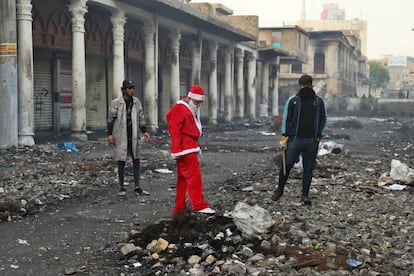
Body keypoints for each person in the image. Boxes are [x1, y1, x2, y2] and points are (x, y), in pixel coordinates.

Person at [272, 74, 327, 205]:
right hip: (294, 140)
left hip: (311, 141)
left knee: (308, 169)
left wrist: (320, 134)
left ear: (310, 85)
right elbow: (286, 117)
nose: (305, 88)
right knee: (287, 165)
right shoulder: (293, 100)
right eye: (303, 86)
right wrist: (285, 135)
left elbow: (323, 119)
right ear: (300, 86)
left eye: (306, 85)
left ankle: (305, 195)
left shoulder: (318, 102)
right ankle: (279, 191)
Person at [166, 85, 216, 215]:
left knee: (183, 179)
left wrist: (176, 150)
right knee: (194, 176)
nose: (198, 105)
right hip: (186, 149)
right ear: (191, 98)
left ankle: (179, 206)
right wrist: (176, 149)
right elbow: (175, 130)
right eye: (197, 102)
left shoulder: (184, 108)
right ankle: (198, 205)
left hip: (185, 148)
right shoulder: (181, 109)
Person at [107, 79, 150, 196]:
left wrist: (145, 131)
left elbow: (141, 118)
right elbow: (110, 119)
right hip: (121, 136)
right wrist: (110, 134)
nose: (132, 90)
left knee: (136, 161)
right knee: (121, 162)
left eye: (133, 88)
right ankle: (121, 187)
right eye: (129, 88)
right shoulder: (116, 103)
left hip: (134, 136)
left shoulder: (136, 102)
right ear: (124, 90)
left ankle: (137, 187)